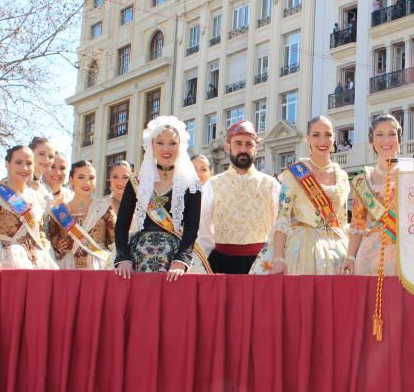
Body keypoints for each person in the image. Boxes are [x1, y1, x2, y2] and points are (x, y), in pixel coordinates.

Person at [252, 116, 349, 275]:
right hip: (303, 250)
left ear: (333, 138)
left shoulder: (342, 176)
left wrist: (351, 255)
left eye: (328, 134)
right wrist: (277, 258)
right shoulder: (295, 173)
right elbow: (282, 218)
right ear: (307, 139)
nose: (322, 140)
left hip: (337, 248)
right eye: (316, 135)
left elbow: (342, 220)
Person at [114, 116, 201, 281]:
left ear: (181, 145)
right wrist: (123, 257)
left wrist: (181, 260)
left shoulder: (191, 184)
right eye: (160, 142)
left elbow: (191, 228)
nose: (166, 148)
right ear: (151, 145)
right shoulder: (136, 182)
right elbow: (121, 225)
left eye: (173, 143)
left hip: (174, 257)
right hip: (138, 255)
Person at [198, 121, 280, 274]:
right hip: (221, 265)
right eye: (238, 143)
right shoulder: (212, 185)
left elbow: (280, 226)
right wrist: (207, 263)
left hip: (262, 266)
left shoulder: (271, 185)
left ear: (257, 148)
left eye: (249, 144)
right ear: (227, 147)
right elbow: (203, 231)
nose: (243, 149)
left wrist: (271, 259)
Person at [0, 145, 59, 271]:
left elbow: (39, 234)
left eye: (29, 163)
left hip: (36, 260)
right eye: (18, 162)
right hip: (6, 258)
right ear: (7, 164)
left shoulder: (36, 198)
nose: (24, 168)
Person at [343, 114, 407, 276]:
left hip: (407, 251)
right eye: (380, 134)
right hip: (370, 255)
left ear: (399, 139)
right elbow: (358, 224)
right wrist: (350, 257)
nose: (386, 140)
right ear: (372, 141)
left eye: (392, 134)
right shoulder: (362, 180)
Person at [48, 161, 115, 270]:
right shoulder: (58, 211)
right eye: (81, 177)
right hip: (68, 268)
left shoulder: (104, 208)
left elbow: (114, 243)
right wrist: (58, 246)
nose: (87, 182)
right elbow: (52, 243)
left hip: (98, 267)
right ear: (71, 180)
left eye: (91, 178)